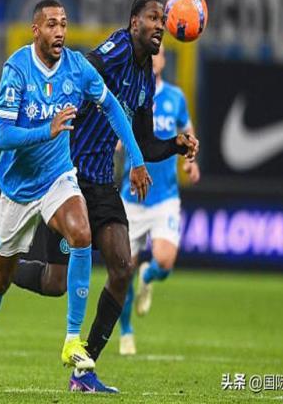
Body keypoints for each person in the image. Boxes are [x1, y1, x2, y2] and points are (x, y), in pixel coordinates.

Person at [0, 0, 199, 393]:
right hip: (67, 176)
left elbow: (144, 141)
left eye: (163, 19)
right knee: (55, 283)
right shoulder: (116, 50)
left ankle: (83, 371)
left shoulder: (145, 79)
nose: (160, 25)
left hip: (102, 183)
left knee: (122, 268)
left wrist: (175, 145)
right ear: (134, 24)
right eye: (153, 18)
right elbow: (80, 71)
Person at [118, 43, 201, 356]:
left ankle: (148, 275)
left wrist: (191, 160)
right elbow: (115, 131)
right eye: (150, 52)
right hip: (132, 197)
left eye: (160, 53)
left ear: (164, 60)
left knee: (164, 261)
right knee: (121, 271)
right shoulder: (129, 94)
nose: (154, 57)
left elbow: (188, 133)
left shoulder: (175, 97)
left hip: (165, 195)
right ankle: (126, 331)